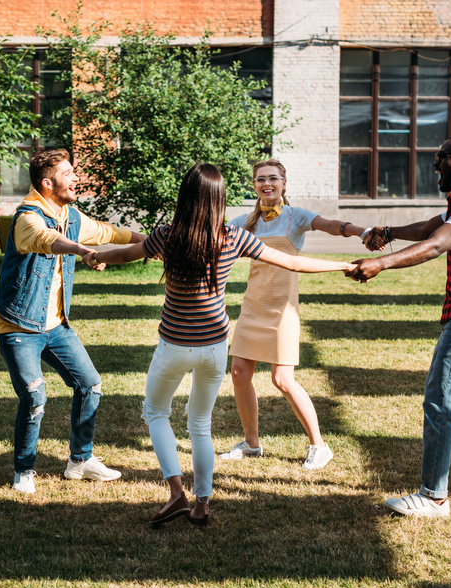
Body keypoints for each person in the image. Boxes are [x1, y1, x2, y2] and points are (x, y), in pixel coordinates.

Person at [86, 163, 356, 527]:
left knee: (156, 413)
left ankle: (176, 492)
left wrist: (95, 255)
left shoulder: (167, 235)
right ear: (220, 199)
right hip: (214, 346)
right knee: (200, 423)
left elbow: (124, 254)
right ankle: (202, 504)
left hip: (174, 345)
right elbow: (291, 262)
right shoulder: (234, 236)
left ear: (185, 196)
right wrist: (343, 267)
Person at [348, 134, 451, 518]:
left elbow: (437, 243)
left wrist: (382, 263)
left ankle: (434, 497)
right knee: (445, 394)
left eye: (441, 158)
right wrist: (388, 233)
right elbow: (427, 228)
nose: (435, 164)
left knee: (440, 398)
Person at [0, 149, 146, 495]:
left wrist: (152, 242)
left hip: (55, 325)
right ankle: (24, 470)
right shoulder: (27, 218)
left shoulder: (70, 214)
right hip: (18, 325)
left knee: (89, 384)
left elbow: (109, 233)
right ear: (47, 183)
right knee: (34, 397)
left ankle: (80, 461)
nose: (76, 178)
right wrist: (82, 251)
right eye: (67, 174)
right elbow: (48, 240)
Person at [222, 159, 368, 469]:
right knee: (238, 373)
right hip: (253, 307)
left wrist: (363, 231)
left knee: (282, 379)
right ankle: (251, 444)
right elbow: (210, 237)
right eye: (261, 179)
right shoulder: (243, 221)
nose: (267, 184)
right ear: (254, 185)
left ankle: (319, 445)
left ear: (284, 183)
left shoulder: (295, 217)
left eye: (273, 178)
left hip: (282, 310)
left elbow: (331, 225)